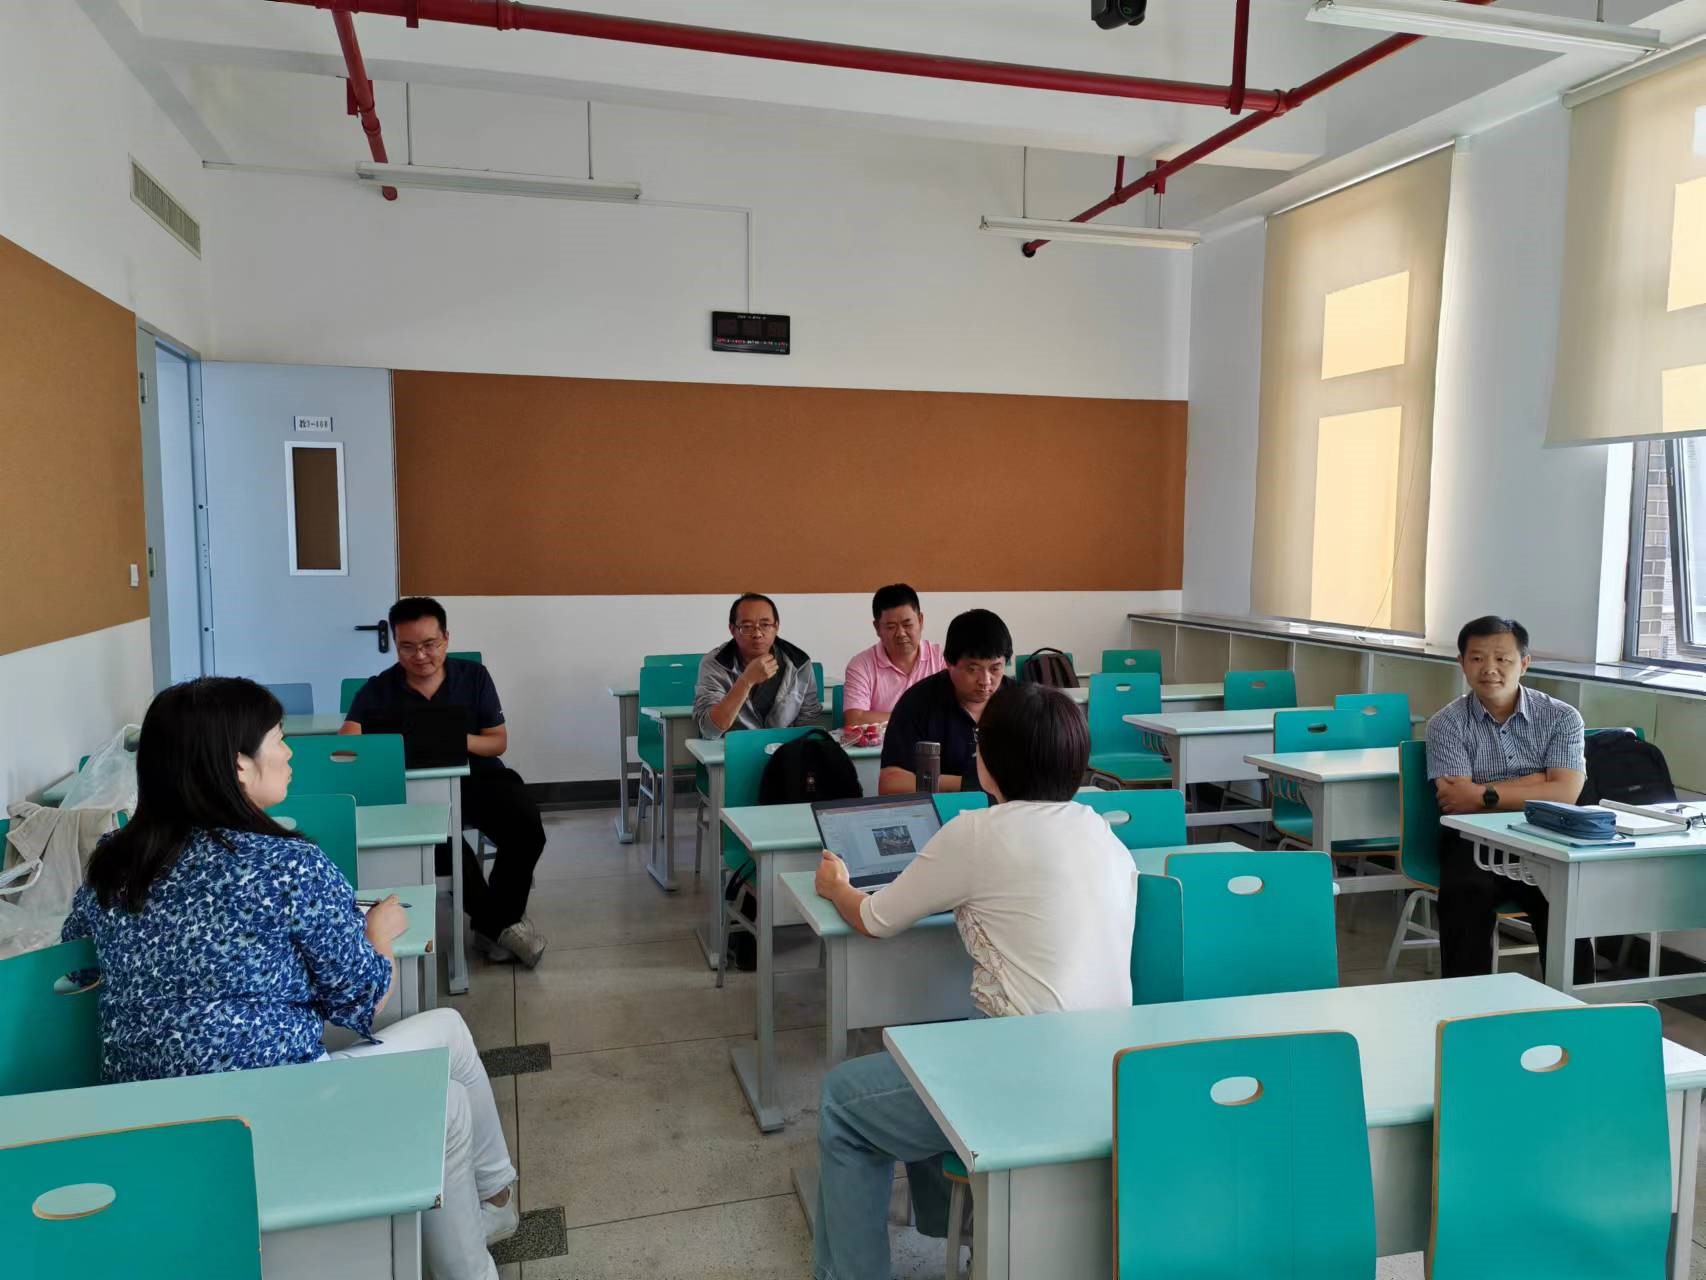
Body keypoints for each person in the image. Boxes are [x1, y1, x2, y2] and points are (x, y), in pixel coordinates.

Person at [61, 677, 518, 1280]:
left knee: (449, 1030)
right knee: (446, 1102)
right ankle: (478, 1247)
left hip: (144, 1119)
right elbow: (362, 999)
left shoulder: (114, 859)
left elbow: (78, 963)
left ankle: (494, 1203)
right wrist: (378, 934)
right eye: (277, 739)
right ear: (238, 766)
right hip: (271, 1114)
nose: (290, 751)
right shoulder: (287, 864)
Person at [809, 682, 1136, 1279]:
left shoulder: (977, 833)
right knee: (932, 1046)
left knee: (843, 1104)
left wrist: (837, 887)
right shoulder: (1101, 830)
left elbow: (875, 918)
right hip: (1109, 1065)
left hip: (1026, 1073)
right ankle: (955, 1225)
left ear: (988, 760)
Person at [343, 597, 547, 968]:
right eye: (407, 647)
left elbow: (497, 741)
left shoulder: (473, 677)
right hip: (413, 793)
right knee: (446, 847)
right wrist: (377, 749)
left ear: (446, 639)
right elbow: (347, 747)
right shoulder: (378, 690)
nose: (420, 656)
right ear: (395, 644)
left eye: (429, 644)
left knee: (527, 828)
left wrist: (450, 739)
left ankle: (492, 925)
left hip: (478, 777)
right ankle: (500, 928)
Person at [1427, 615, 1588, 978]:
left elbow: (1565, 793)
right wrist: (1538, 782)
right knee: (1465, 894)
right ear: (1461, 663)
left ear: (1524, 663)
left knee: (1569, 897)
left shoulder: (1562, 717)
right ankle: (1467, 1003)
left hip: (1545, 836)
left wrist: (1483, 791)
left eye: (1502, 659)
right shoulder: (1446, 723)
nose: (1490, 669)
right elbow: (1458, 801)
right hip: (1472, 838)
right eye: (1477, 658)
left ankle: (1575, 1004)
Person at [878, 608, 1012, 794]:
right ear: (948, 663)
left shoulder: (1023, 703)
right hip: (943, 809)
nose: (985, 681)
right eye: (973, 669)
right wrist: (970, 785)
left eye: (995, 668)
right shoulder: (918, 703)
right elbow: (890, 783)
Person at [694, 592, 822, 738]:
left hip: (784, 749)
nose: (757, 634)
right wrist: (746, 681)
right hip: (731, 748)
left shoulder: (799, 663)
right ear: (732, 630)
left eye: (765, 625)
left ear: (776, 627)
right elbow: (710, 729)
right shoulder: (715, 663)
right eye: (747, 626)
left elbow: (808, 724)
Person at [841, 584, 946, 728]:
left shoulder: (942, 658)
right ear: (877, 628)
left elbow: (954, 711)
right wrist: (915, 718)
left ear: (920, 621)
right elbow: (855, 719)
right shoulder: (861, 665)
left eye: (907, 625)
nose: (901, 633)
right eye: (891, 627)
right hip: (881, 743)